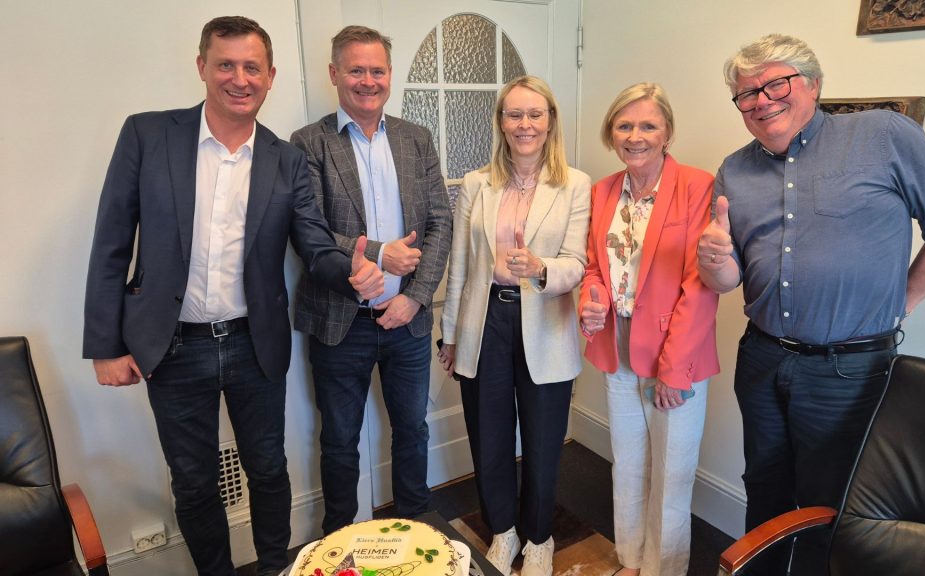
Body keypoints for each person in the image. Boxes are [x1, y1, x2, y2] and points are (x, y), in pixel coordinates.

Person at [82, 16, 383, 576]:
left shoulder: (286, 160)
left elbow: (314, 244)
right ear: (202, 66)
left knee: (268, 469)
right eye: (226, 64)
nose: (239, 79)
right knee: (194, 482)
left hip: (254, 344)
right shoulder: (148, 135)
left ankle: (272, 568)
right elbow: (112, 242)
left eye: (252, 68)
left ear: (270, 76)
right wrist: (105, 344)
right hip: (172, 346)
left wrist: (353, 270)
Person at [698, 34, 925, 575]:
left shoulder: (883, 135)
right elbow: (727, 280)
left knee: (831, 504)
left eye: (775, 84)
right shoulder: (734, 170)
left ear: (812, 84)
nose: (761, 101)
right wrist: (712, 261)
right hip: (762, 358)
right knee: (764, 484)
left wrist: (902, 303)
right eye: (746, 94)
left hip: (849, 370)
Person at [290, 25, 452, 534]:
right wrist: (380, 253)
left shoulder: (416, 138)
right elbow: (308, 229)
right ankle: (340, 541)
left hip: (407, 322)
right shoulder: (308, 143)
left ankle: (416, 533)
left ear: (389, 75)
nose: (367, 81)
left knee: (413, 429)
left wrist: (416, 298)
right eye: (356, 70)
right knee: (339, 440)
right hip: (341, 322)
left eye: (377, 70)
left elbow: (440, 222)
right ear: (334, 73)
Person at [437, 76, 590, 576]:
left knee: (544, 441)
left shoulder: (575, 183)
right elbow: (460, 265)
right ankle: (502, 530)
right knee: (489, 436)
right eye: (514, 114)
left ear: (550, 121)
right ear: (501, 122)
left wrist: (542, 268)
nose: (525, 125)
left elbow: (577, 262)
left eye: (535, 114)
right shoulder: (477, 183)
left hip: (545, 319)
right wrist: (450, 334)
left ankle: (539, 537)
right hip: (486, 321)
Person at [577, 83, 720, 576]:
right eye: (624, 125)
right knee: (629, 465)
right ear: (611, 133)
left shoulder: (697, 186)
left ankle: (665, 569)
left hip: (676, 354)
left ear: (667, 133)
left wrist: (675, 370)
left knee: (671, 476)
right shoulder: (603, 191)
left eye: (647, 125)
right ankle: (632, 561)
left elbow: (700, 286)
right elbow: (594, 268)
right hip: (616, 348)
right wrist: (592, 300)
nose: (635, 136)